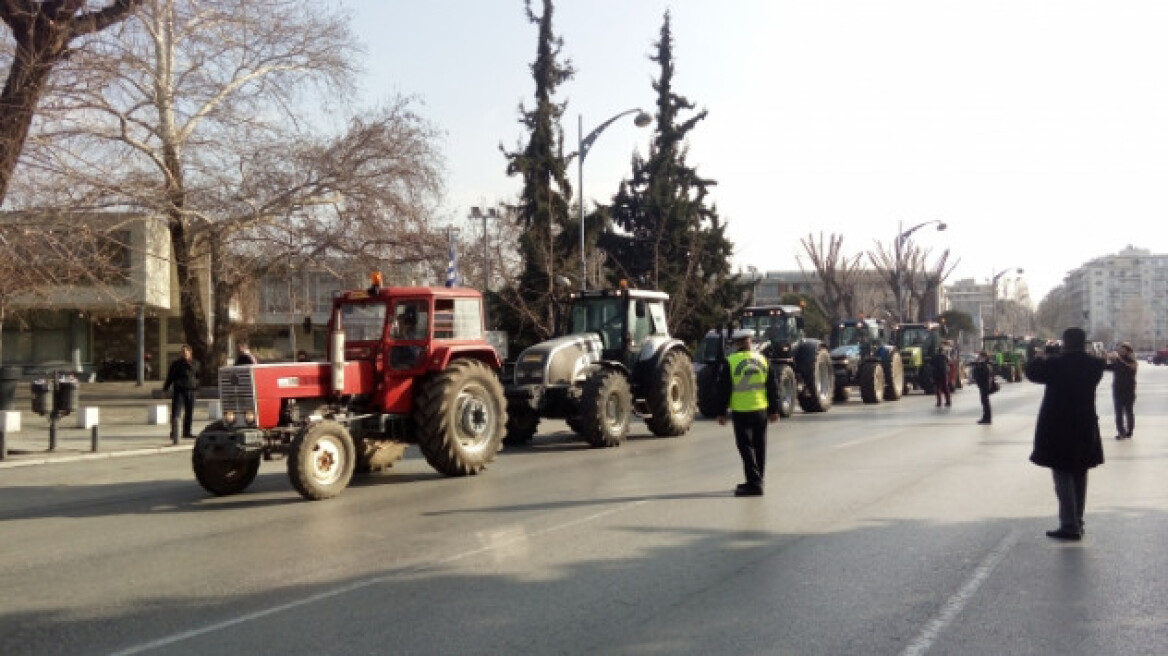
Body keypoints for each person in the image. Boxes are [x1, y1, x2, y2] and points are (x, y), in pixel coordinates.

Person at [1024, 327, 1105, 541]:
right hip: (1085, 423)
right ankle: (1078, 520)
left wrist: (1043, 355)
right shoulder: (1095, 365)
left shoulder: (1055, 364)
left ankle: (1069, 525)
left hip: (1058, 425)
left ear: (1065, 342)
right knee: (1080, 473)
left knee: (1062, 475)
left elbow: (1031, 373)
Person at [716, 330, 781, 497]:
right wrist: (774, 410)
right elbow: (772, 387)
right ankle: (757, 479)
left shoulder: (730, 361)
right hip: (761, 409)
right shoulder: (763, 360)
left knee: (745, 447)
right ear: (750, 342)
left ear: (736, 344)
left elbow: (724, 389)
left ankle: (755, 484)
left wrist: (721, 411)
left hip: (741, 410)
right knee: (759, 447)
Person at [162, 344, 201, 440]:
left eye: (185, 352)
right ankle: (174, 432)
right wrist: (165, 389)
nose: (183, 353)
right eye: (182, 352)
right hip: (179, 391)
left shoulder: (196, 363)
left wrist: (197, 387)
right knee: (176, 412)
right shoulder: (176, 364)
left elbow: (199, 376)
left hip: (191, 390)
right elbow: (170, 377)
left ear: (190, 352)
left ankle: (187, 432)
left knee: (189, 412)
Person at [1105, 342, 1137, 439]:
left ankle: (1129, 430)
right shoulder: (1117, 362)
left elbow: (1131, 367)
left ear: (1128, 351)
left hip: (1129, 389)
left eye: (1123, 350)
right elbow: (1107, 367)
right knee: (1118, 412)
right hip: (1117, 389)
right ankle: (1121, 432)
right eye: (1120, 350)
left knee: (1128, 411)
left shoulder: (1132, 361)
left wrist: (1119, 359)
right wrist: (1105, 358)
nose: (1120, 351)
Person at [971, 351, 993, 425]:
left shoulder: (985, 365)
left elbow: (981, 374)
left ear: (984, 357)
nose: (979, 357)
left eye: (980, 356)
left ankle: (987, 418)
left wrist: (977, 364)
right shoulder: (985, 364)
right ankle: (986, 417)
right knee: (984, 402)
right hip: (984, 385)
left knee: (985, 402)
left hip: (984, 385)